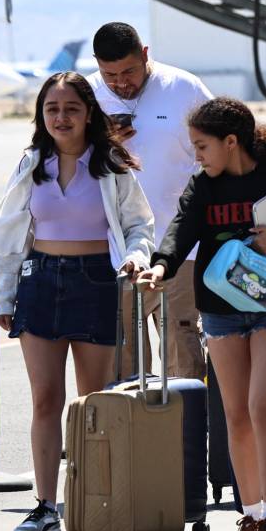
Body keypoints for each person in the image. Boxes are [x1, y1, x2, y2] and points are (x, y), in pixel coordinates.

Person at [138, 97, 266, 531]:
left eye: (203, 146)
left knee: (264, 406)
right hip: (221, 309)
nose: (197, 155)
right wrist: (160, 267)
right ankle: (250, 514)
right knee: (237, 414)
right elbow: (180, 230)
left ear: (231, 141)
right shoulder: (204, 186)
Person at [0, 72, 154, 531]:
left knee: (91, 403)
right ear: (42, 115)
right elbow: (4, 233)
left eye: (71, 108)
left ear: (88, 114)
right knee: (45, 400)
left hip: (97, 280)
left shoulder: (111, 163)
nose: (61, 117)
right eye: (52, 109)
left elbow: (140, 224)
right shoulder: (30, 163)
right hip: (40, 281)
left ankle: (94, 500)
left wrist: (137, 257)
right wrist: (5, 295)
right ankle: (43, 506)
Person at [88, 22, 212, 381]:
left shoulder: (184, 88)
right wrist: (102, 140)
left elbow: (219, 149)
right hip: (115, 251)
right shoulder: (85, 95)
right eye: (109, 74)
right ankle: (129, 435)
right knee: (119, 357)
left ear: (145, 55)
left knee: (182, 351)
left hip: (179, 248)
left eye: (129, 71)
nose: (121, 83)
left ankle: (186, 434)